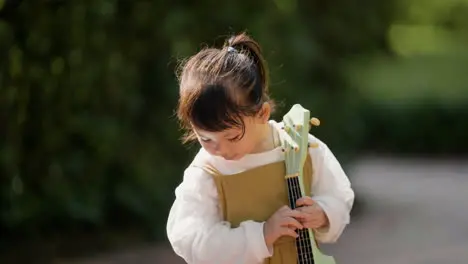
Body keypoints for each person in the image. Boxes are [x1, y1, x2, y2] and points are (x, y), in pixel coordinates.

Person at [166, 32, 354, 264]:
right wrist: (261, 235)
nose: (220, 149)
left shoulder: (301, 146)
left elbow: (339, 194)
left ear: (262, 114)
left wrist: (324, 213)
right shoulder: (207, 171)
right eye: (206, 139)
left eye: (232, 137)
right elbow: (189, 238)